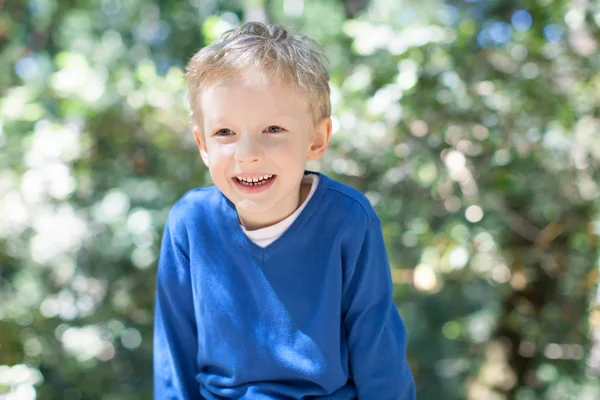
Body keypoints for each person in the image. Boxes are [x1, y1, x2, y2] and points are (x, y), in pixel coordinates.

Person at [153, 21, 416, 399]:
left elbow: (379, 355)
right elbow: (172, 363)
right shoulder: (191, 224)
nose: (247, 154)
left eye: (273, 128)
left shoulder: (348, 220)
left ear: (317, 137)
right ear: (202, 144)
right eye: (225, 133)